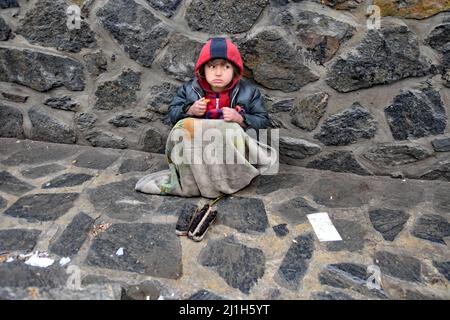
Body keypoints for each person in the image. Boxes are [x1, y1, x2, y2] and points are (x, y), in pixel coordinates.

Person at [168, 36, 269, 131]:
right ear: (203, 69)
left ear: (235, 69)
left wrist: (240, 118)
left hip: (231, 146)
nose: (218, 73)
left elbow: (263, 122)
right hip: (197, 143)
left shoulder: (249, 92)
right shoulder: (189, 89)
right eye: (212, 67)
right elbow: (172, 115)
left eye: (226, 67)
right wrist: (190, 110)